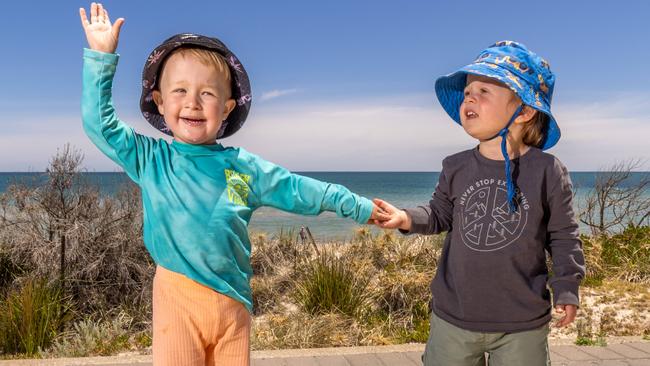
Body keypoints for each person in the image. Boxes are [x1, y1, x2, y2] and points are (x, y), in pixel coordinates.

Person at [79, 3, 386, 365]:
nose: (192, 102)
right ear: (159, 102)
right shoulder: (152, 160)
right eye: (179, 91)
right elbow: (100, 124)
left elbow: (299, 190)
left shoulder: (242, 170)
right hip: (177, 300)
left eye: (207, 93)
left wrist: (360, 207)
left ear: (226, 108)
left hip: (233, 305)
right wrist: (101, 57)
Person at [373, 40, 586, 366]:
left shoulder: (548, 171)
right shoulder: (454, 166)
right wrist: (404, 217)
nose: (470, 96)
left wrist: (567, 287)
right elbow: (439, 213)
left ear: (525, 111)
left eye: (485, 91)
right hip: (455, 315)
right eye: (468, 90)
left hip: (522, 321)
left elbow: (564, 236)